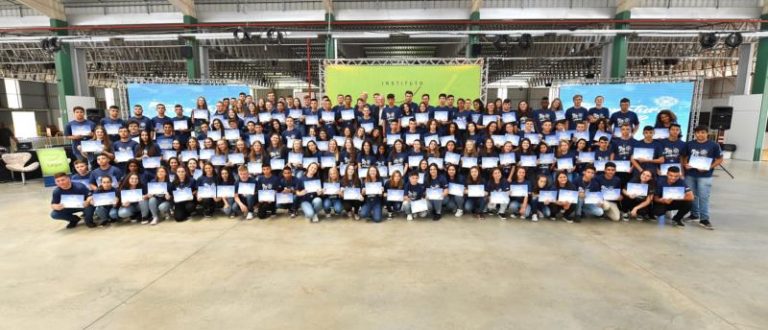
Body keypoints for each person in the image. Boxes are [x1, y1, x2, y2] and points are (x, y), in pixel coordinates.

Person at [682, 125, 723, 230]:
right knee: (692, 195)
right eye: (698, 132)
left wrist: (709, 167)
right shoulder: (689, 144)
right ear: (695, 134)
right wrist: (685, 164)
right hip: (690, 174)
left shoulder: (713, 145)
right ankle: (694, 214)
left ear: (707, 133)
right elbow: (684, 156)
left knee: (704, 197)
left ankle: (704, 219)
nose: (700, 134)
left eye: (703, 132)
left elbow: (719, 159)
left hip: (705, 176)